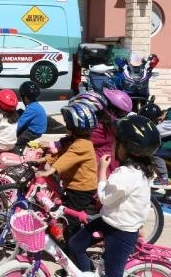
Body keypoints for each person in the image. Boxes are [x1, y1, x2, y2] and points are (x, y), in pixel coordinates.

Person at [69, 115, 161, 277]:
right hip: (110, 222)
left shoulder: (125, 175)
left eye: (114, 141)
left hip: (121, 233)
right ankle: (87, 273)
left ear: (125, 148)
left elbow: (104, 197)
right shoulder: (142, 170)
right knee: (75, 244)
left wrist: (102, 170)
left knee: (113, 273)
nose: (111, 145)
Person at [36, 102, 98, 242]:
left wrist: (48, 171)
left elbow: (66, 159)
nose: (65, 126)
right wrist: (42, 160)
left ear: (72, 126)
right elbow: (58, 154)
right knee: (60, 213)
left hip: (81, 189)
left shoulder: (83, 144)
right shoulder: (73, 140)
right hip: (72, 186)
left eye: (66, 123)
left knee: (69, 221)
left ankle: (70, 248)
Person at [139, 102, 171, 189]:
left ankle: (163, 179)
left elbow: (151, 133)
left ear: (159, 119)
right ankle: (170, 176)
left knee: (152, 148)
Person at [15, 80, 47, 153]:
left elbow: (19, 125)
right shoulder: (35, 105)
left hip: (34, 132)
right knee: (20, 111)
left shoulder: (31, 109)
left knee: (16, 141)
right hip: (37, 129)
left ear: (25, 97)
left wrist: (9, 132)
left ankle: (17, 155)